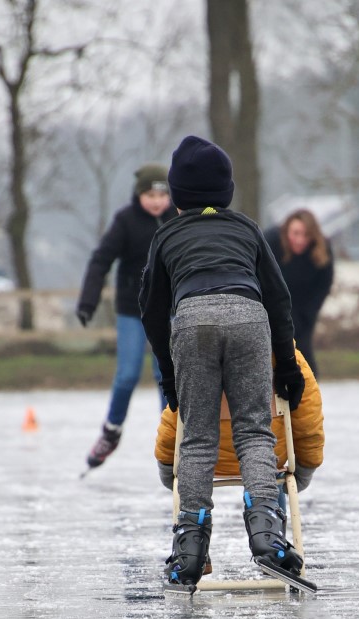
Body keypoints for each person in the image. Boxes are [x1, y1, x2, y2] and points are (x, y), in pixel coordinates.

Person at [139, 134, 308, 591]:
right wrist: (288, 367)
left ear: (178, 196)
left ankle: (190, 551)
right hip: (249, 314)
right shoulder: (246, 229)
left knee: (196, 439)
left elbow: (152, 310)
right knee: (254, 431)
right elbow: (278, 297)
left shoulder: (167, 234)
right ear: (226, 191)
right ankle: (268, 535)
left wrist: (168, 375)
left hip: (192, 319)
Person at [154, 347, 324, 573]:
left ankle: (194, 550)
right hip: (268, 457)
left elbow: (174, 418)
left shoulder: (198, 354)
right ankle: (271, 539)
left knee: (195, 463)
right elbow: (308, 417)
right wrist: (305, 467)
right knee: (268, 473)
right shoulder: (287, 356)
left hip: (206, 461)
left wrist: (168, 466)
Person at [76, 163, 177, 470]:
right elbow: (100, 260)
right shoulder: (126, 221)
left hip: (169, 310)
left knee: (166, 375)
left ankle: (171, 437)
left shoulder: (177, 219)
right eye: (150, 194)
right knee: (128, 374)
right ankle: (111, 431)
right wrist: (88, 301)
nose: (157, 200)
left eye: (162, 193)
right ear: (139, 195)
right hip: (133, 311)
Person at [264, 209, 334, 378]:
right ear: (286, 230)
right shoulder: (271, 241)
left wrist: (307, 316)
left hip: (302, 311)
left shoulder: (322, 249)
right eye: (296, 233)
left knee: (304, 357)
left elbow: (323, 286)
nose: (301, 240)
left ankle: (308, 397)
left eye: (306, 235)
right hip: (270, 308)